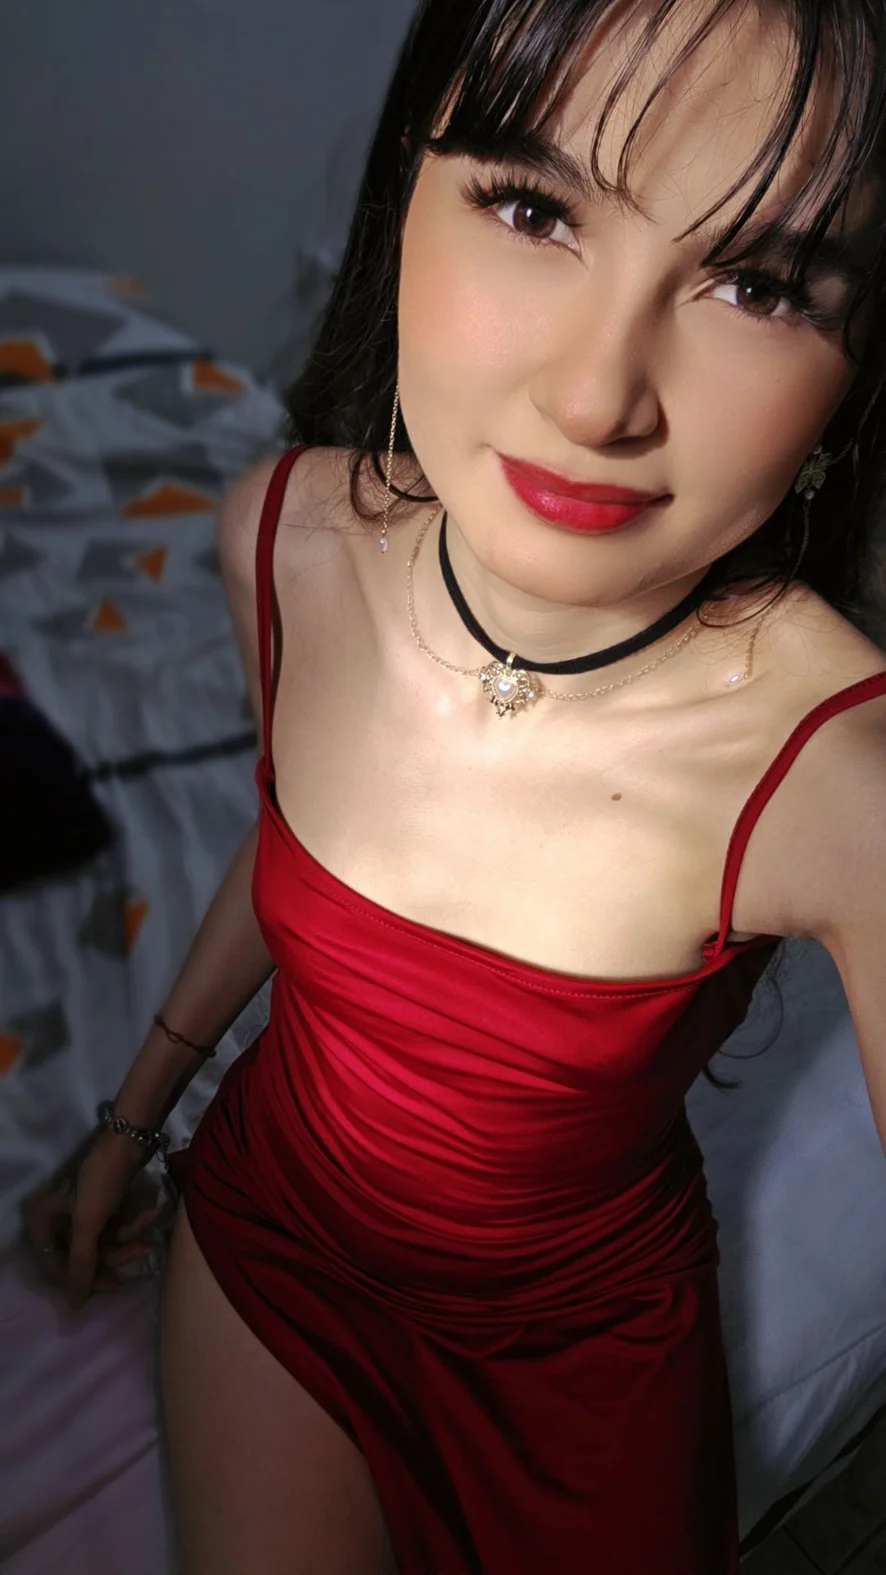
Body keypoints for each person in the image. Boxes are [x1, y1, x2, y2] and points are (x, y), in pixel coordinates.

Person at [29, 0, 886, 1570]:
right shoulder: (282, 538)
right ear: (403, 200)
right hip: (268, 1248)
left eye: (756, 285)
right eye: (532, 209)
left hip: (574, 1365)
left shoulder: (837, 773)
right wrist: (132, 1118)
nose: (597, 397)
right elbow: (291, 852)